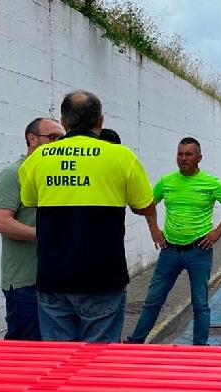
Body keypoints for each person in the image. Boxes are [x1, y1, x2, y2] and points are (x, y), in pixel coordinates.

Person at [18, 90, 157, 343]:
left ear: (63, 121)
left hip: (54, 277)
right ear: (100, 121)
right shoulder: (121, 156)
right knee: (99, 366)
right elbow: (143, 205)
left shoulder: (38, 158)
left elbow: (30, 201)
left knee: (59, 364)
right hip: (103, 277)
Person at [126, 137, 221, 345]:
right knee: (153, 300)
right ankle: (135, 341)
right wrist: (153, 228)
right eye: (180, 154)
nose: (183, 158)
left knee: (200, 303)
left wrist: (218, 232)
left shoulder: (211, 183)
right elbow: (148, 204)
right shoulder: (166, 181)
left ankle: (199, 347)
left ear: (199, 158)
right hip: (169, 250)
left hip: (199, 251)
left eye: (188, 154)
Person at [0, 118, 65, 340]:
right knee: (24, 351)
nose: (58, 144)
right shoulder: (13, 174)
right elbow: (1, 222)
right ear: (31, 139)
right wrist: (45, 236)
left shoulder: (54, 176)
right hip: (25, 282)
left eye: (61, 139)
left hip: (53, 278)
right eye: (52, 138)